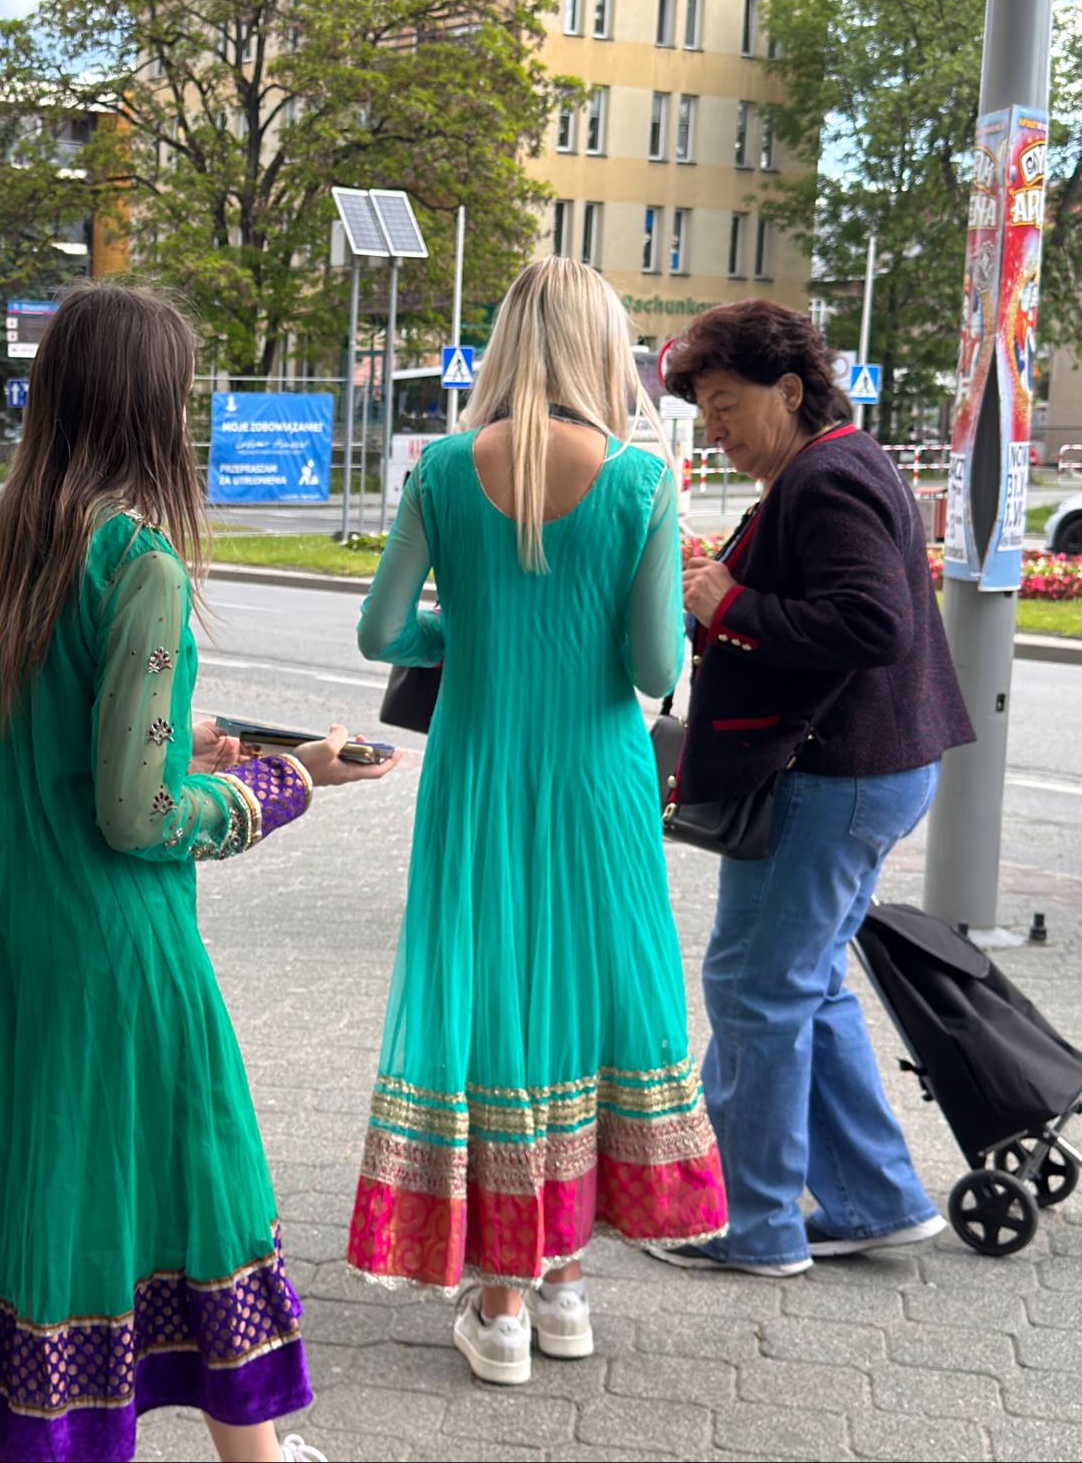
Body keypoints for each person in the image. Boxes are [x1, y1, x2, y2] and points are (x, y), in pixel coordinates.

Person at [0, 282, 394, 1463]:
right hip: (122, 942)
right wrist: (285, 782)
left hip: (9, 922)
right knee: (194, 1168)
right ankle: (253, 1460)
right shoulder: (143, 561)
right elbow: (138, 813)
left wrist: (187, 726)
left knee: (30, 1180)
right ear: (153, 407)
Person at [346, 259, 728, 1385]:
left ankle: (498, 1300)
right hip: (597, 781)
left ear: (509, 341)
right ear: (600, 347)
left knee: (485, 997)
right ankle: (564, 1288)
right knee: (592, 999)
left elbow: (379, 632)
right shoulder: (641, 479)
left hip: (476, 773)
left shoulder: (442, 470)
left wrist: (468, 639)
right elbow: (656, 663)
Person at [648, 299, 974, 1277]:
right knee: (803, 984)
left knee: (751, 989)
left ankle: (753, 1225)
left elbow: (867, 622)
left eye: (721, 404)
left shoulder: (826, 476)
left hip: (829, 774)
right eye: (701, 410)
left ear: (786, 389)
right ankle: (873, 1197)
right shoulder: (832, 458)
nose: (712, 427)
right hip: (871, 766)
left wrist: (729, 603)